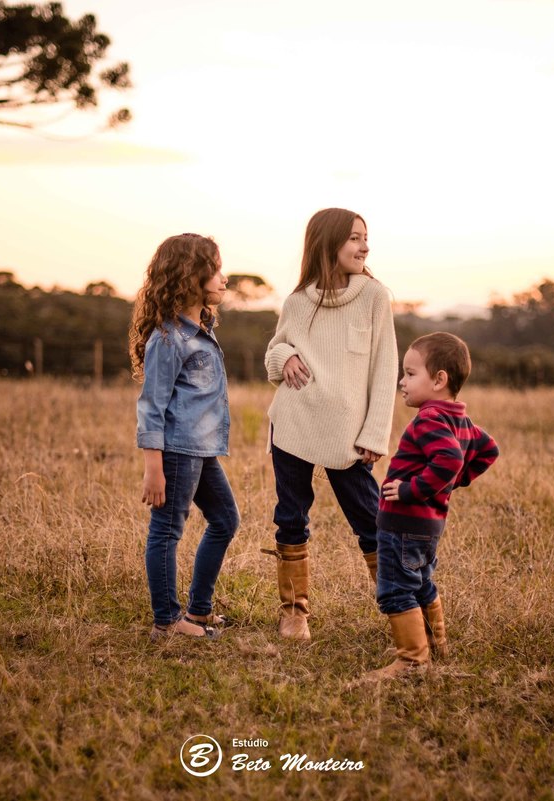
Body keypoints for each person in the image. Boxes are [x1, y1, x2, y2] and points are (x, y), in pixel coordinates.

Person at [262, 208, 398, 641]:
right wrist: (286, 357)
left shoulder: (374, 296)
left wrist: (375, 432)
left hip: (347, 434)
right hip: (294, 423)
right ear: (328, 243)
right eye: (355, 238)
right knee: (291, 517)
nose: (365, 246)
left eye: (366, 238)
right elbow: (273, 355)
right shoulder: (298, 302)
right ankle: (294, 612)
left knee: (372, 520)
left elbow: (385, 366)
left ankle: (403, 607)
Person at [360, 332, 499, 681]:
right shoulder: (460, 419)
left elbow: (449, 459)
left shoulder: (429, 418)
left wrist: (413, 490)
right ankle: (436, 647)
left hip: (404, 522)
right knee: (421, 583)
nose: (401, 382)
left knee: (395, 589)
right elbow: (488, 449)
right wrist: (455, 481)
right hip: (427, 526)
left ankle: (411, 660)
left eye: (410, 373)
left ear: (439, 380)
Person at [130, 233, 240, 641]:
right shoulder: (169, 338)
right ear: (189, 274)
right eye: (214, 268)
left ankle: (198, 610)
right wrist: (153, 468)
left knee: (226, 521)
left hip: (200, 449)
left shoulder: (200, 331)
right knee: (166, 532)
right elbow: (151, 405)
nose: (223, 278)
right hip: (176, 451)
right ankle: (167, 622)